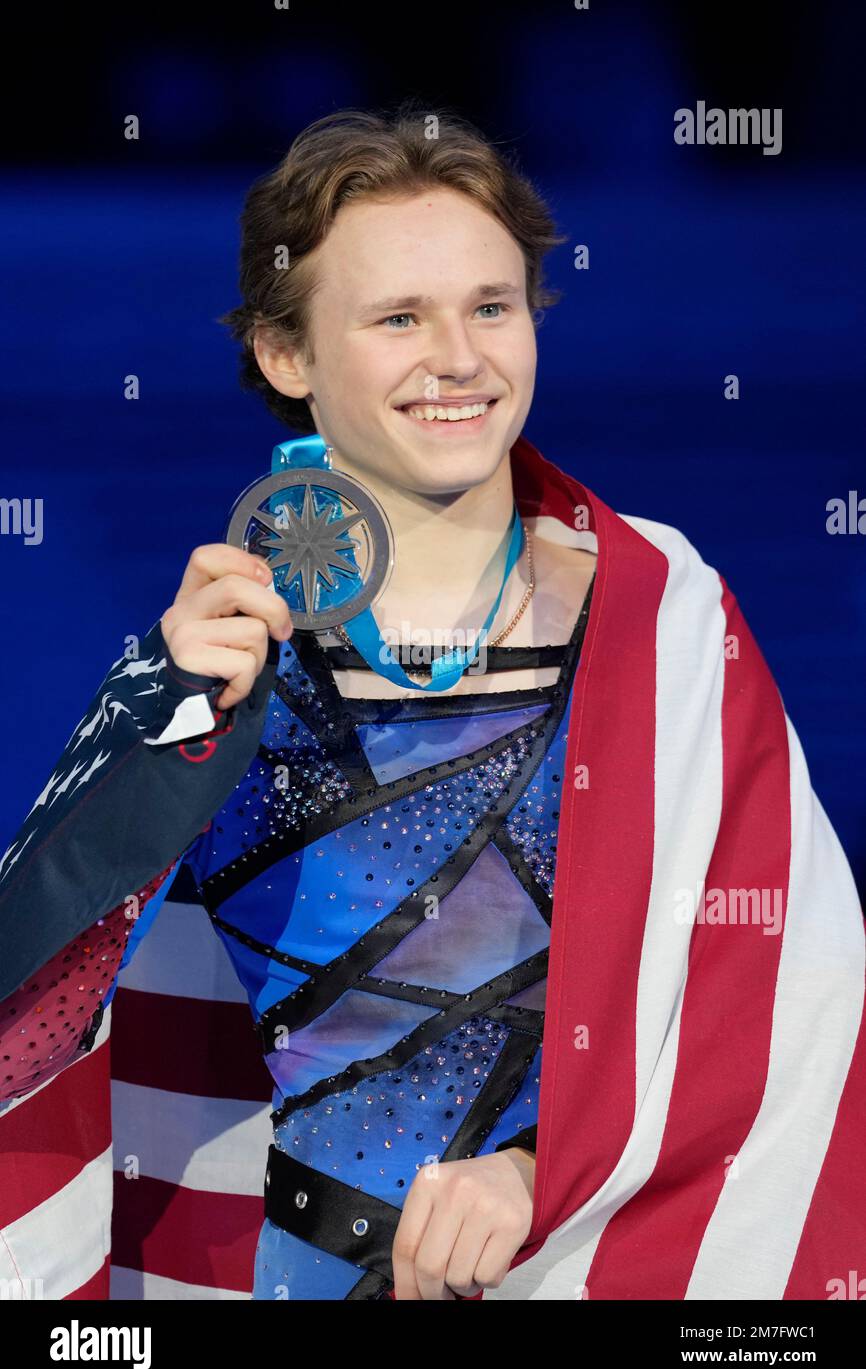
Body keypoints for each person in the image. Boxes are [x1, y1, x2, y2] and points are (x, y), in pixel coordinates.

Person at [1, 103, 863, 1302]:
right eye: (398, 316)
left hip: (596, 1257)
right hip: (302, 1275)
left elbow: (784, 994)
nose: (458, 357)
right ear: (284, 355)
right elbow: (26, 1028)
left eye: (490, 308)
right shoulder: (210, 658)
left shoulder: (663, 614)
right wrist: (158, 728)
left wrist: (538, 1172)